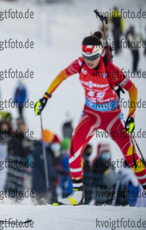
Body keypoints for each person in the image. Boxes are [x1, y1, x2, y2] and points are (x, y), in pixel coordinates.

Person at [34, 31, 145, 205]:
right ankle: (78, 195)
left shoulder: (110, 70)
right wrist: (46, 96)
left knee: (131, 157)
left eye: (92, 56)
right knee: (73, 150)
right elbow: (62, 75)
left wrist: (131, 117)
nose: (89, 60)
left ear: (100, 53)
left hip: (112, 117)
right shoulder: (80, 65)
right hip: (91, 114)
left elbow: (133, 90)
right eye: (85, 56)